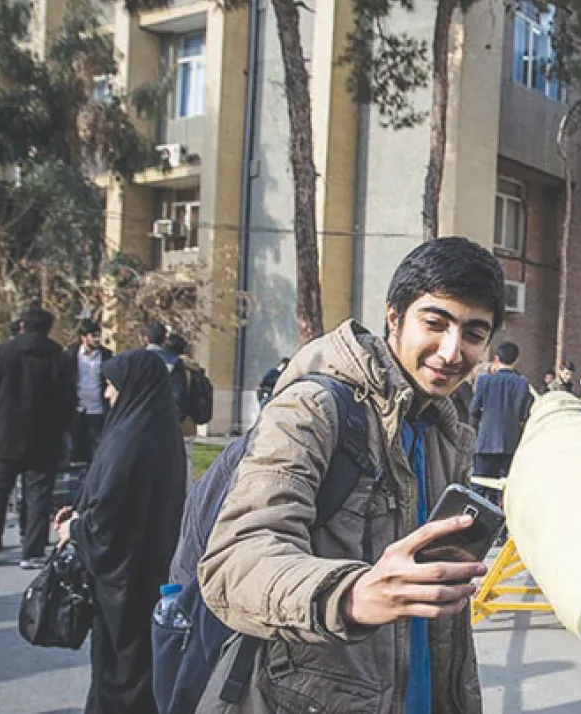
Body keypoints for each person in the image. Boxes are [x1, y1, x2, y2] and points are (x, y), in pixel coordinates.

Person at [199, 237, 504, 713]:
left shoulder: (445, 425)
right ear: (394, 316)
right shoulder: (316, 409)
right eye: (435, 323)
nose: (451, 351)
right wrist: (351, 595)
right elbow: (235, 561)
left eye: (472, 333)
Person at [54, 350, 187, 713]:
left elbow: (109, 525)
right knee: (141, 670)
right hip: (152, 571)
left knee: (119, 674)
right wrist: (82, 508)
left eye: (112, 386)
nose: (108, 395)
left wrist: (74, 526)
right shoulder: (159, 432)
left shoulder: (129, 441)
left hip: (124, 582)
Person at [0, 308, 74, 569]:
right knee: (39, 495)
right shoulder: (59, 358)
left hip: (2, 436)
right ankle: (32, 550)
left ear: (21, 326)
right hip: (43, 438)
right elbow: (67, 401)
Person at [469, 341, 532, 507]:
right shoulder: (522, 383)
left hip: (486, 441)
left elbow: (473, 409)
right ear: (516, 360)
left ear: (496, 359)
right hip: (510, 442)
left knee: (479, 487)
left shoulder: (485, 381)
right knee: (506, 489)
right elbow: (524, 414)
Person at [65, 320, 113, 465]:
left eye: (99, 336)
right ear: (83, 337)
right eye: (93, 336)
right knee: (74, 449)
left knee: (98, 449)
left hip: (98, 409)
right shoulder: (70, 355)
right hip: (77, 408)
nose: (97, 339)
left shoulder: (106, 356)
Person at [144, 322, 187, 418]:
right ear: (165, 339)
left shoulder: (133, 359)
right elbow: (178, 394)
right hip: (165, 414)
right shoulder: (174, 362)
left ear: (145, 338)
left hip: (140, 415)